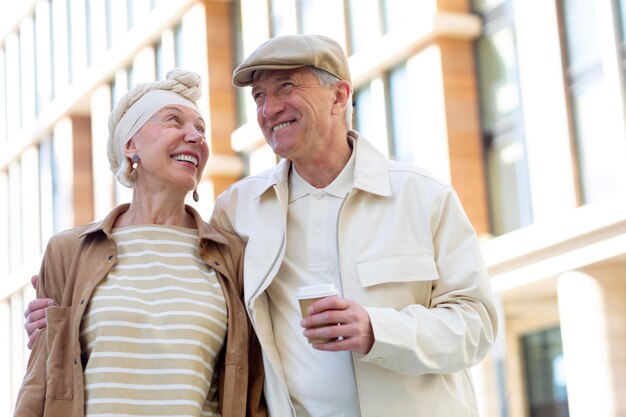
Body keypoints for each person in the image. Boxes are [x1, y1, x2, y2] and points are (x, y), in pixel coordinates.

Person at [26, 34, 498, 416]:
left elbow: (477, 324)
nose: (270, 109)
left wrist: (378, 329)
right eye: (260, 96)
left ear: (339, 95)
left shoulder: (423, 196)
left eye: (287, 88)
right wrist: (58, 320)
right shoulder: (239, 210)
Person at [15, 69, 265, 417]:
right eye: (173, 121)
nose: (194, 136)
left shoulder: (232, 255)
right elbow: (42, 380)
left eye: (201, 129)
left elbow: (253, 383)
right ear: (130, 145)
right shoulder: (69, 251)